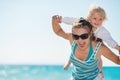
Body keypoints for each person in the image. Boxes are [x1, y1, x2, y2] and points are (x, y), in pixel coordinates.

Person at [52, 15, 120, 80]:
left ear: (90, 34)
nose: (80, 40)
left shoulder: (98, 47)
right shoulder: (72, 40)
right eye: (76, 36)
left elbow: (117, 61)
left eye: (84, 36)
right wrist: (54, 20)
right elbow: (58, 31)